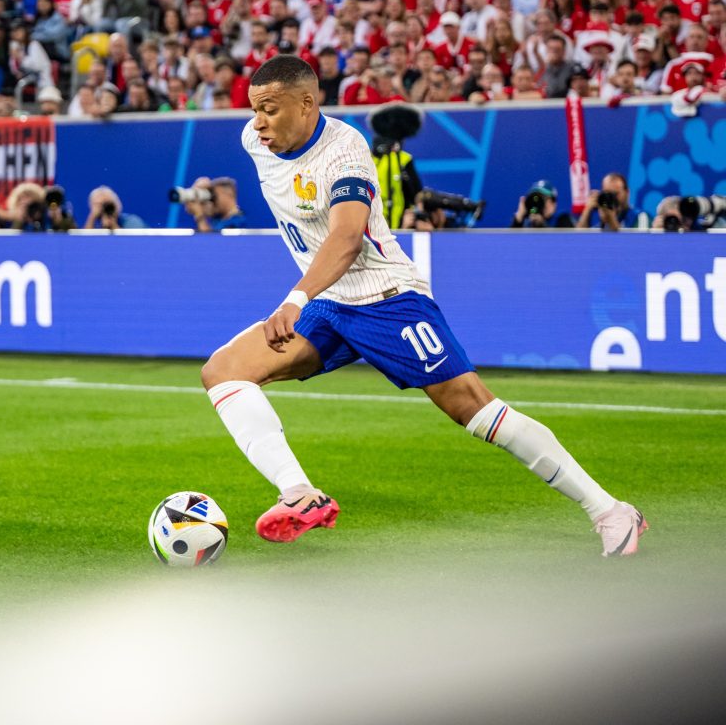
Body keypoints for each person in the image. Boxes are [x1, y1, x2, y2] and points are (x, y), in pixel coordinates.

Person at [199, 56, 647, 556]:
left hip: (386, 300)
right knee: (223, 371)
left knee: (474, 409)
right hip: (328, 303)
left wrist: (294, 299)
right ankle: (300, 494)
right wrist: (307, 298)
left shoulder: (344, 151)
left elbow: (347, 238)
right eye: (254, 110)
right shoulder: (255, 140)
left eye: (270, 109)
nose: (258, 122)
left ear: (307, 103)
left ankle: (611, 511)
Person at [576, 173, 649, 230]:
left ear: (627, 192)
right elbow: (578, 240)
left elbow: (636, 243)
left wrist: (611, 220)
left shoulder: (640, 217)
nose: (612, 199)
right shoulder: (601, 220)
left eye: (615, 194)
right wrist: (587, 210)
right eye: (608, 194)